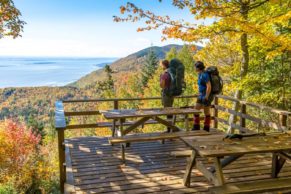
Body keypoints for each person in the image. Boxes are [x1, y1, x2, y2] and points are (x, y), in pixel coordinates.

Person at [192, 61, 213, 132]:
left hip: (206, 96)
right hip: (201, 95)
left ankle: (206, 128)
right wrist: (198, 93)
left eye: (195, 67)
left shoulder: (205, 75)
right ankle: (196, 126)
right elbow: (201, 86)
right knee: (195, 110)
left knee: (206, 112)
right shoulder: (200, 74)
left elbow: (209, 86)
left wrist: (206, 96)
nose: (194, 68)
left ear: (198, 67)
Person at [160, 60, 174, 132]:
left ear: (164, 65)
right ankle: (171, 128)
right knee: (170, 110)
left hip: (166, 94)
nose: (161, 66)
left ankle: (169, 129)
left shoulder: (165, 74)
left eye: (161, 65)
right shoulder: (172, 73)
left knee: (168, 111)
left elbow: (162, 85)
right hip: (171, 94)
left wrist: (161, 80)